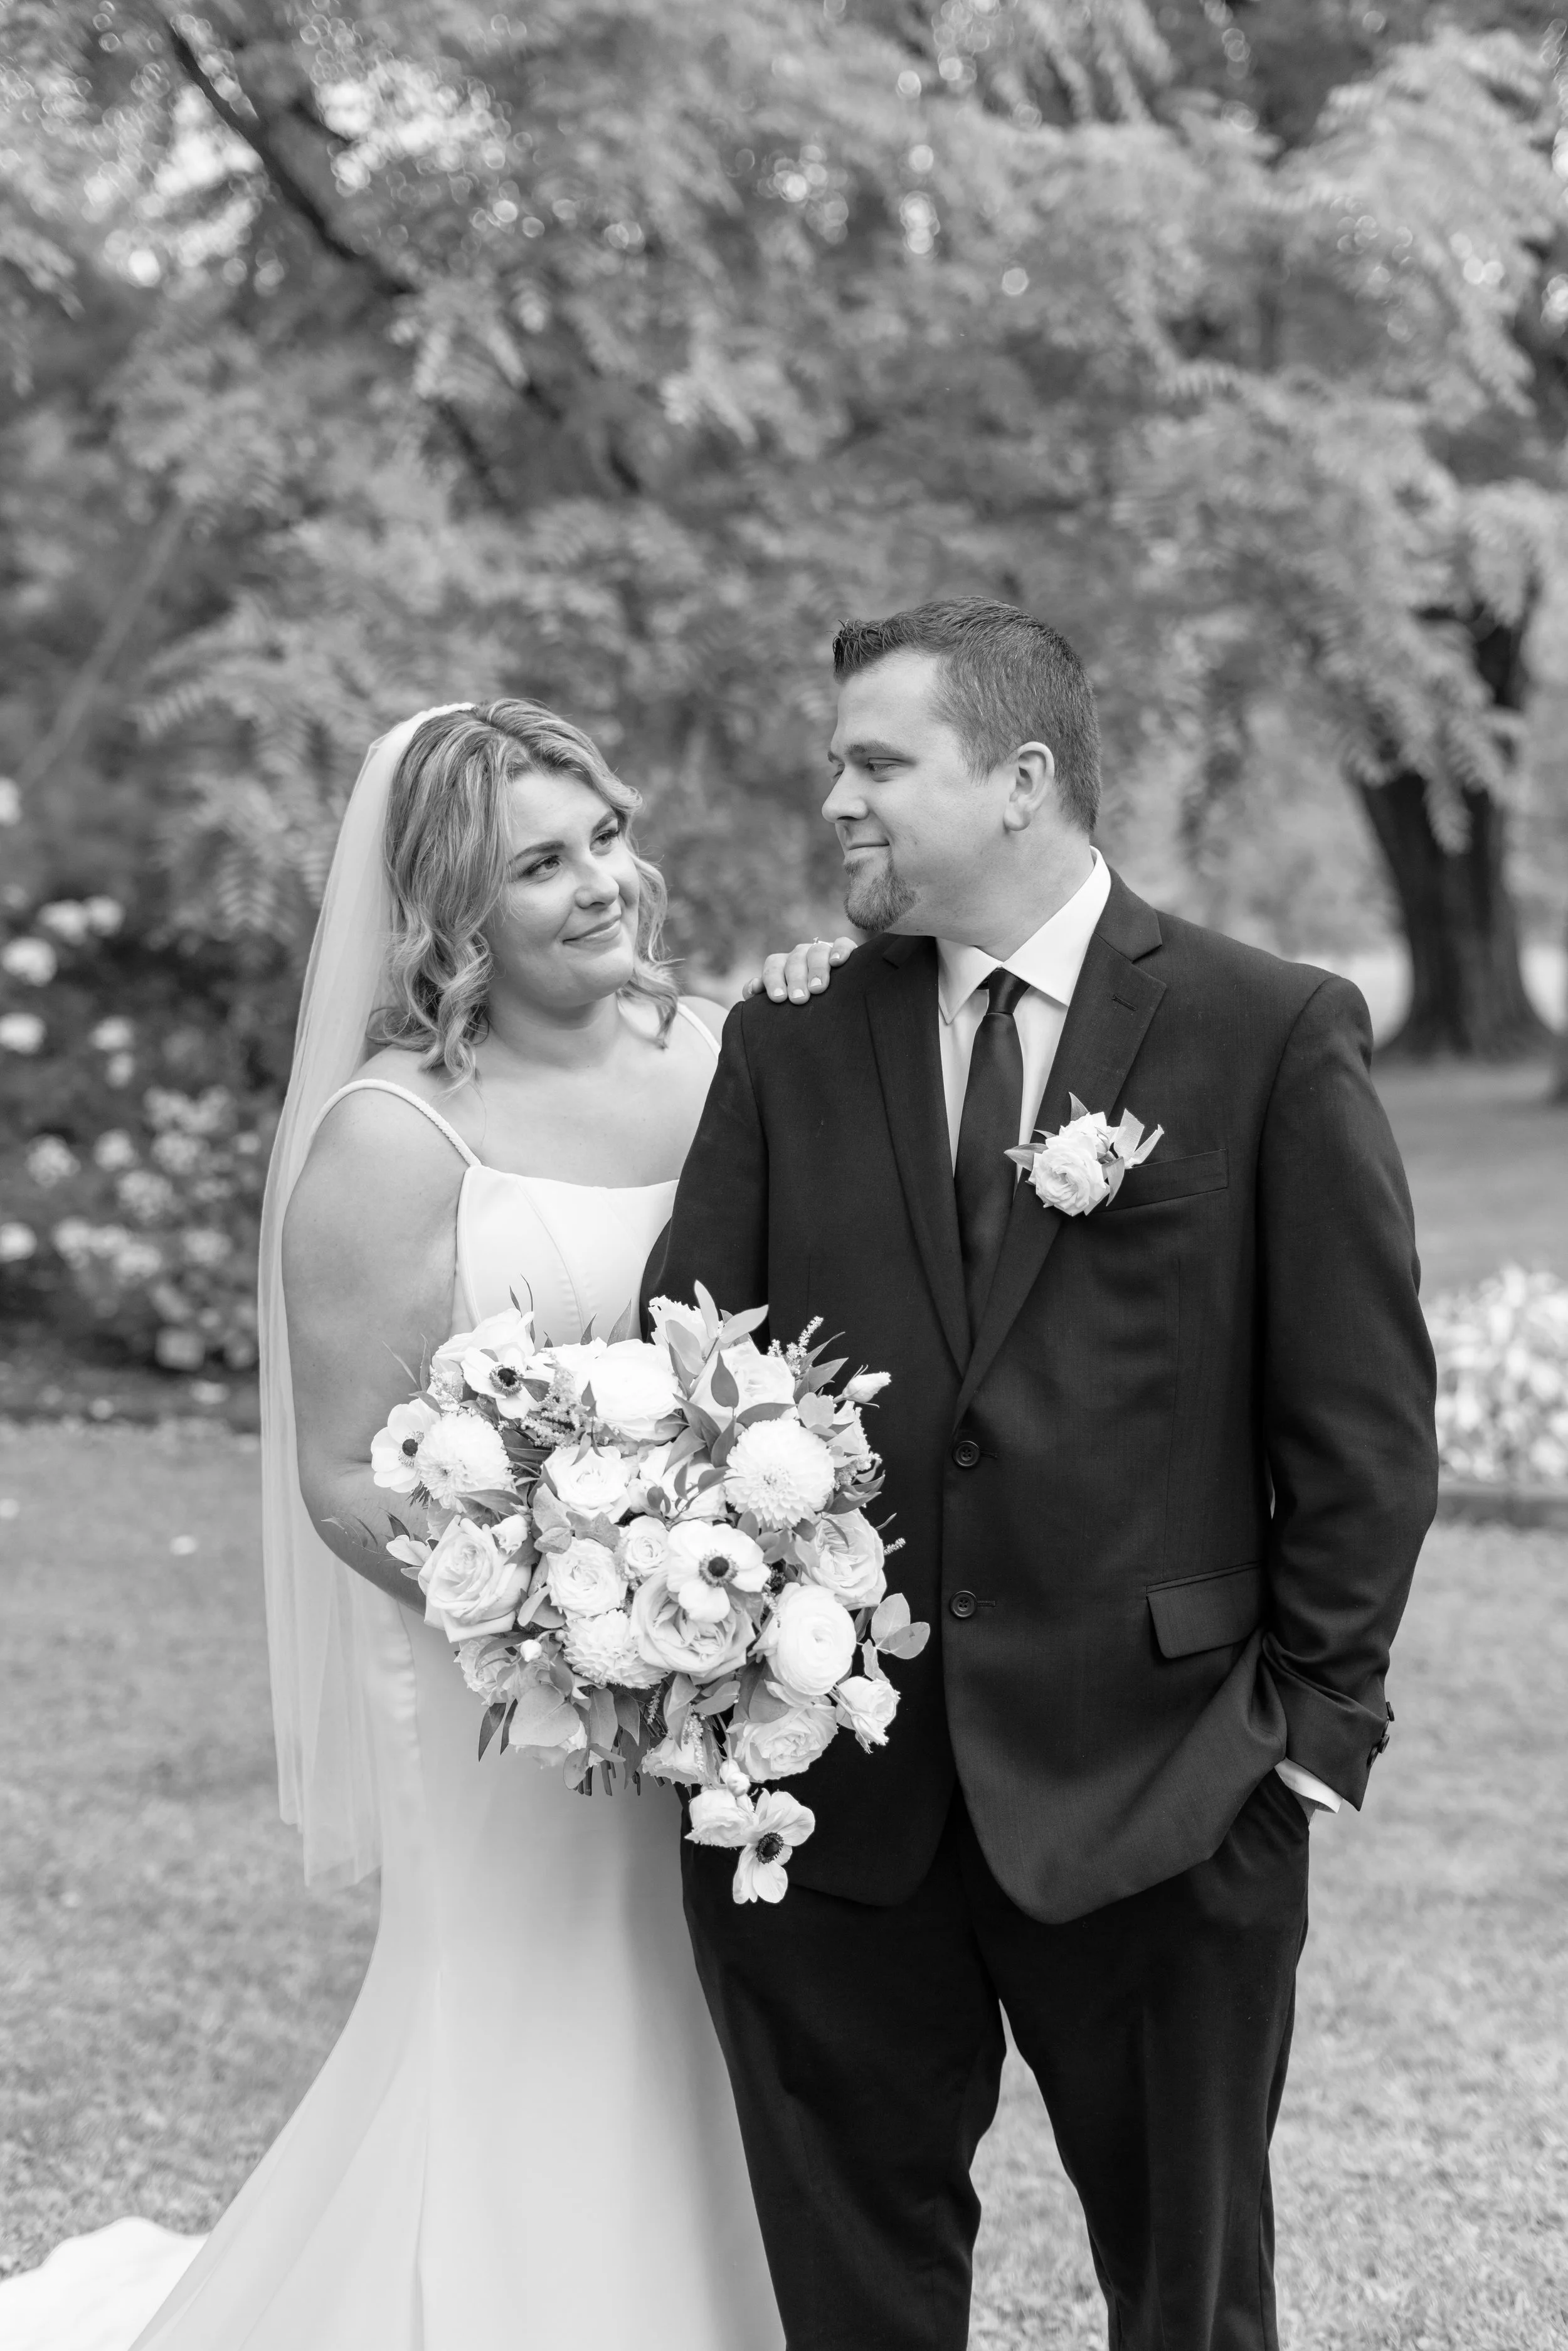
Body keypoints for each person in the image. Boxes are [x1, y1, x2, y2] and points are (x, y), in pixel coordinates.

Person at [0, 699, 845, 2351]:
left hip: (724, 1675)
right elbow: (340, 1476)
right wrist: (570, 1634)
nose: (602, 882)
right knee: (527, 2008)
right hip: (506, 1695)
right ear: (454, 913)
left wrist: (717, 1626)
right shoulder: (394, 1139)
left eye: (604, 834)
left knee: (709, 2010)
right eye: (540, 863)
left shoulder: (733, 1048)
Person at [651, 599, 1440, 2351]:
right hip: (833, 1798)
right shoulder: (790, 1038)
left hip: (1163, 1784)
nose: (836, 799)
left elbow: (1363, 1424)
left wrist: (1309, 1741)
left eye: (876, 761)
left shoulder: (1264, 1029)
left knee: (1191, 2300)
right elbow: (685, 1368)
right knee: (852, 2299)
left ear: (1020, 780)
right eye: (833, 762)